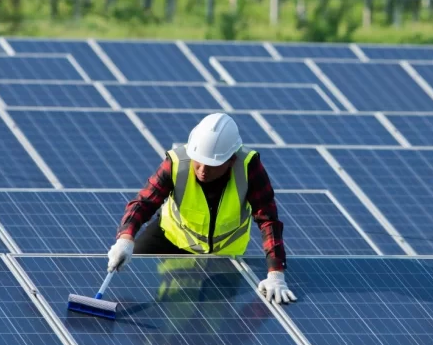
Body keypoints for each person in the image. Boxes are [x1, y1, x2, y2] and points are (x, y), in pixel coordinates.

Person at [106, 113, 297, 304]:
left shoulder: (248, 168)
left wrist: (275, 273)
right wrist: (125, 238)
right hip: (170, 238)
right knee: (129, 270)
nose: (203, 170)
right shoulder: (176, 163)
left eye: (212, 165)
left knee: (210, 318)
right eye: (198, 161)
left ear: (231, 159)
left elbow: (268, 219)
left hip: (223, 254)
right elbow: (144, 202)